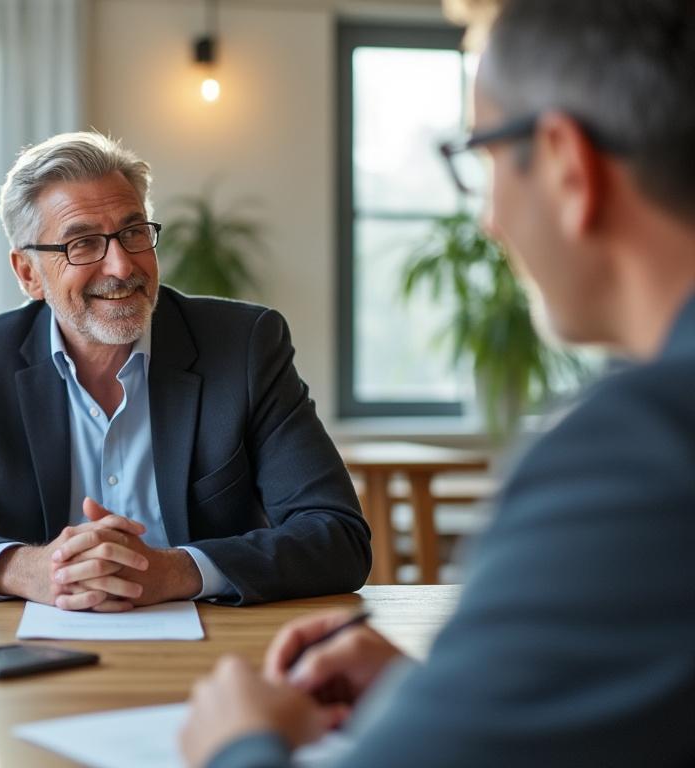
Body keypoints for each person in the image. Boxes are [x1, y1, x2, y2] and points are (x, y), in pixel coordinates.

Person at [181, 1, 695, 765]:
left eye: (481, 156)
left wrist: (240, 744)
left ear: (564, 163)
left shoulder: (644, 451)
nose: (489, 220)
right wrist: (463, 694)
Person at [0, 132, 371, 611]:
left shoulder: (244, 346)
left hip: (213, 645)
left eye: (133, 232)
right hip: (40, 651)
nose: (122, 266)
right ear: (28, 274)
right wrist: (32, 571)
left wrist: (175, 571)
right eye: (82, 244)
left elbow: (338, 538)